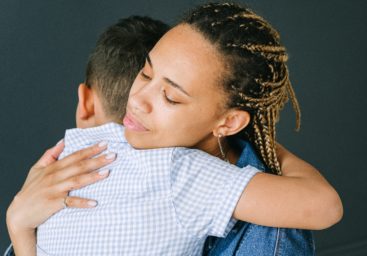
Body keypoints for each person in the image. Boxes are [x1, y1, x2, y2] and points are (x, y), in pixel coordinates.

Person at [5, 2, 343, 256]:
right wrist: (19, 224)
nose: (136, 100)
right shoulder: (139, 163)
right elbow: (324, 205)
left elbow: (323, 207)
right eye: (146, 74)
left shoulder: (176, 171)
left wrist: (20, 231)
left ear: (228, 122)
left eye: (170, 96)